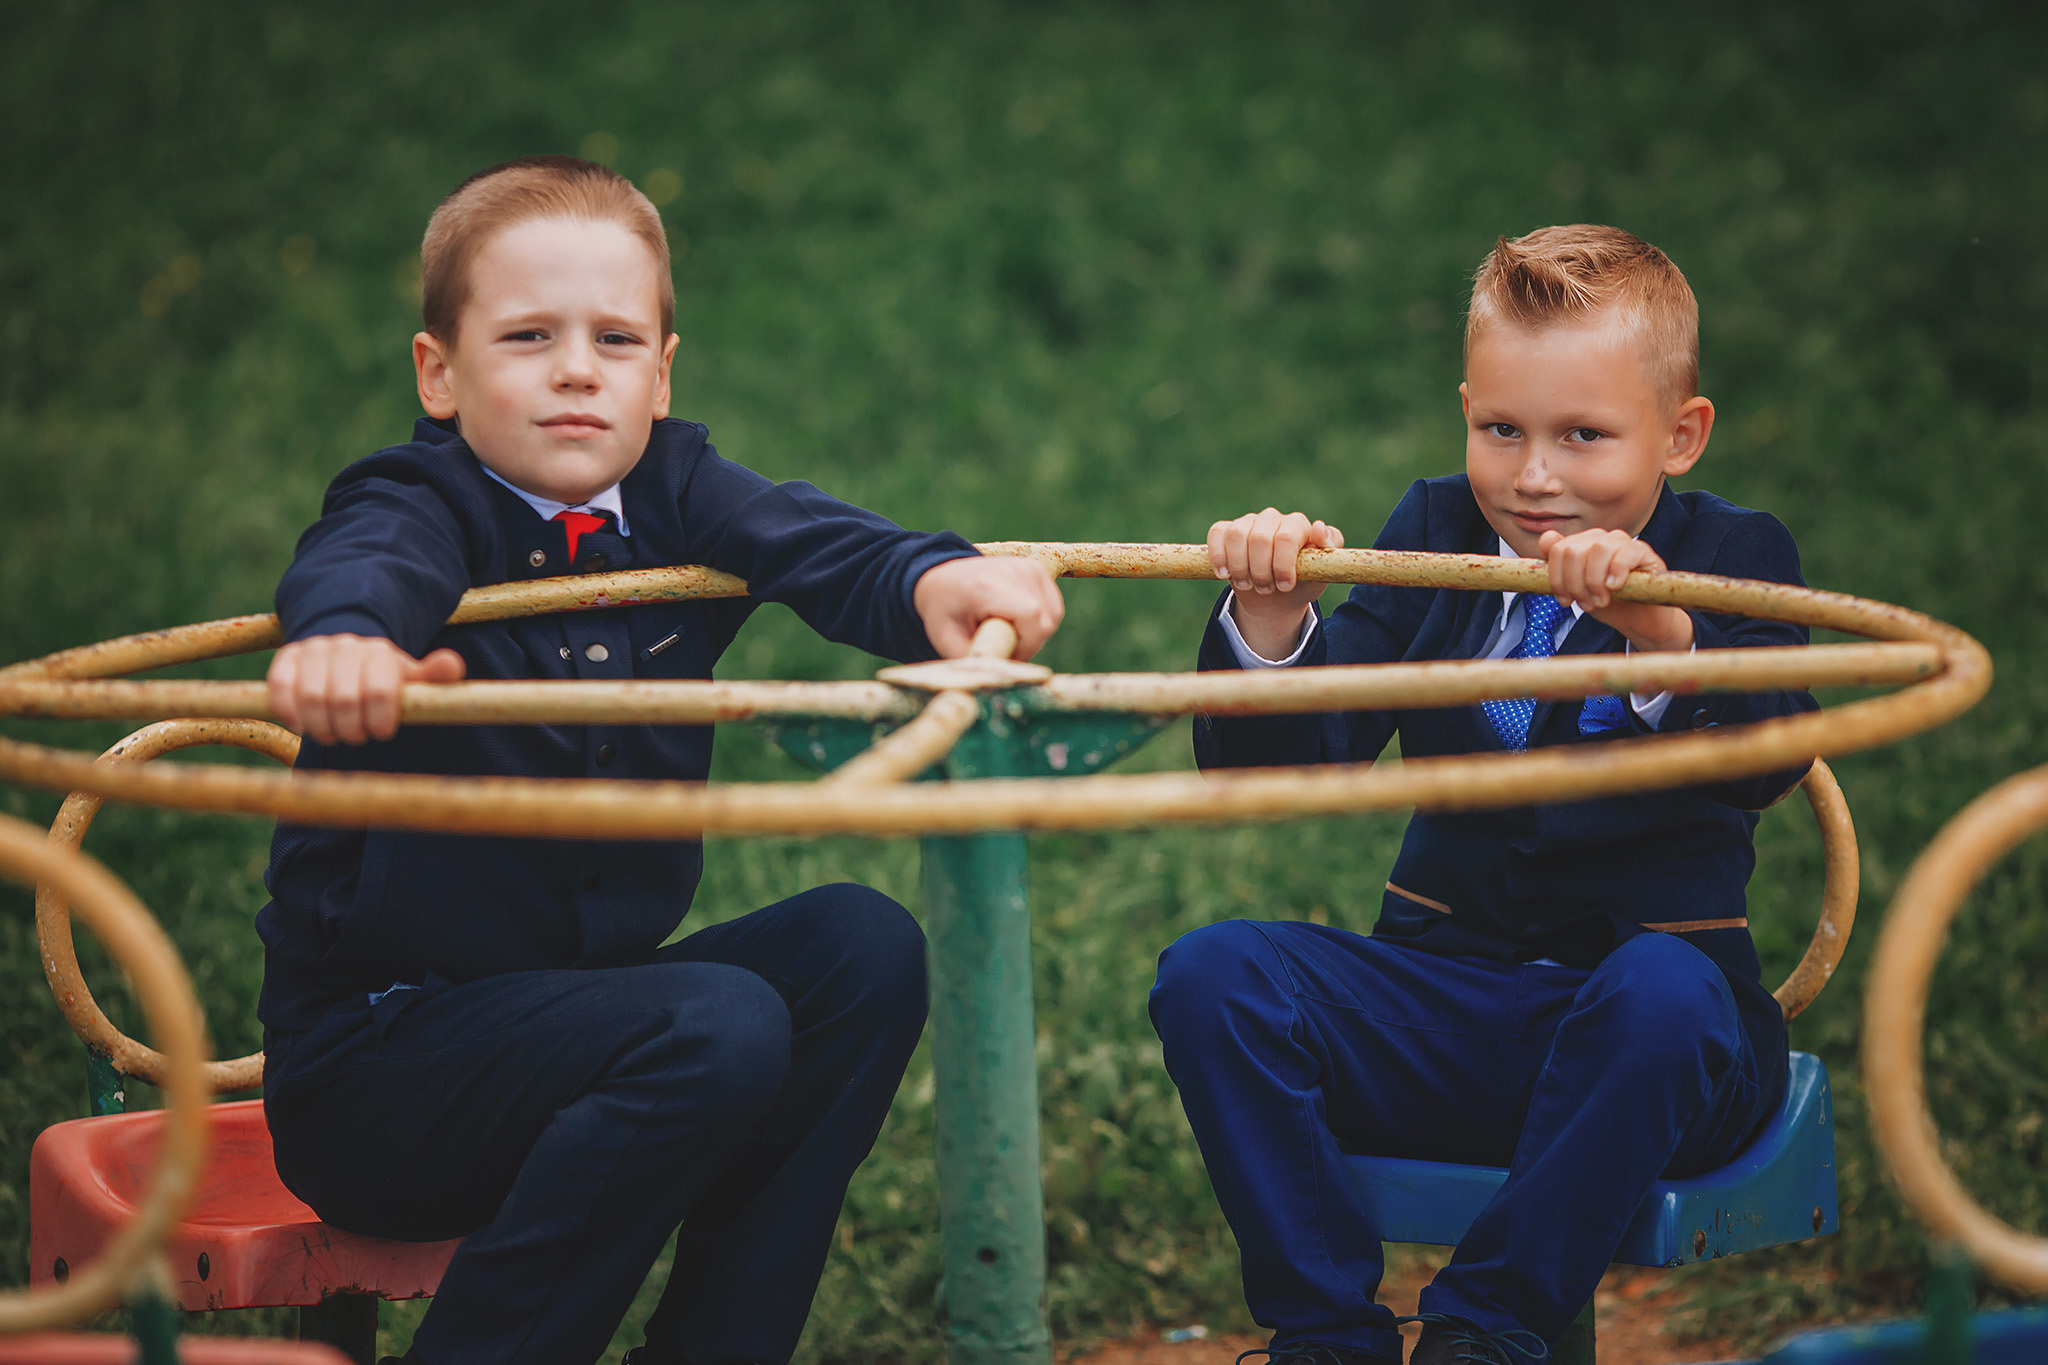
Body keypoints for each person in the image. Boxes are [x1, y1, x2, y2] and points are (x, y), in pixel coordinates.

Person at [255, 155, 1063, 1365]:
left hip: (584, 1027)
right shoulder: (419, 502)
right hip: (385, 1071)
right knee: (715, 1022)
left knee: (861, 948)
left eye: (616, 340)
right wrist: (349, 641)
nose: (577, 369)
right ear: (440, 373)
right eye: (528, 336)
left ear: (661, 370)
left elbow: (810, 539)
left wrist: (928, 575)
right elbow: (366, 559)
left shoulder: (675, 489)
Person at [1148, 225, 1818, 1365]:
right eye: (1499, 430)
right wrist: (1270, 622)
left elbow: (1771, 754)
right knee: (1216, 973)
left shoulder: (1735, 554)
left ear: (1680, 435)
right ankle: (1325, 1335)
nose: (1534, 476)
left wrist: (1659, 637)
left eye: (1584, 437)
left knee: (1661, 990)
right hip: (1448, 1006)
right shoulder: (1438, 539)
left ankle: (1482, 1332)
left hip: (1659, 1041)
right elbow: (1286, 770)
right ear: (1464, 410)